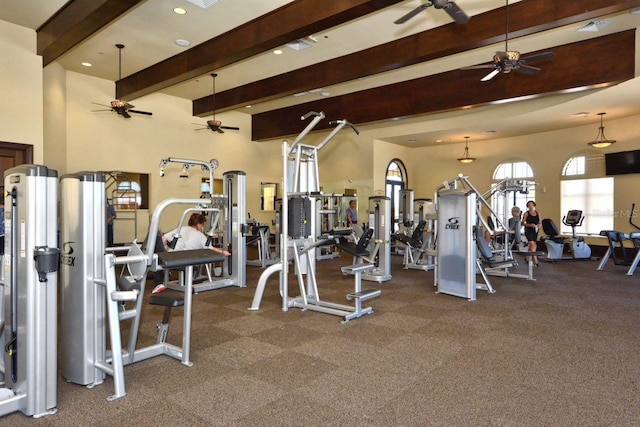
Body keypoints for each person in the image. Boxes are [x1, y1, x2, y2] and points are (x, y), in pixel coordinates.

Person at [154, 213, 230, 294]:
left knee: (162, 256)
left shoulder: (182, 228)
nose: (202, 227)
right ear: (199, 224)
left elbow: (163, 238)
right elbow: (211, 248)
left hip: (171, 259)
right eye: (202, 225)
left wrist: (167, 251)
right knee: (192, 258)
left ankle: (159, 283)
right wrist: (223, 252)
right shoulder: (201, 236)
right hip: (184, 262)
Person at [522, 200, 541, 265]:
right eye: (529, 205)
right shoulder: (526, 213)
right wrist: (530, 225)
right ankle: (535, 260)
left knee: (532, 245)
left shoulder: (538, 213)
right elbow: (523, 223)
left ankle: (527, 257)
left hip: (535, 230)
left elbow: (540, 222)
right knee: (532, 244)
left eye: (531, 205)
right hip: (528, 230)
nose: (530, 206)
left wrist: (539, 225)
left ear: (534, 205)